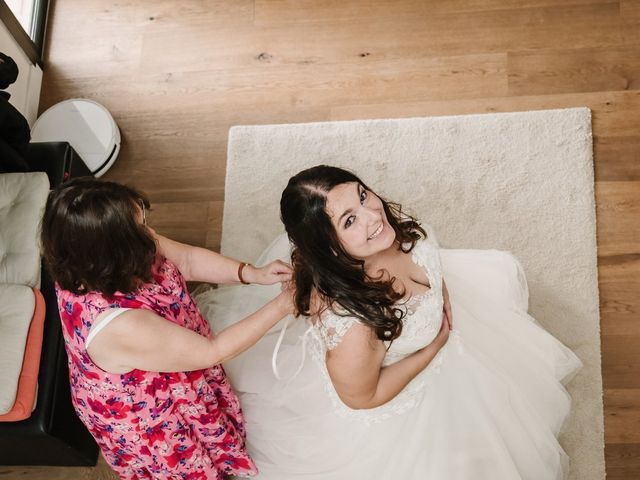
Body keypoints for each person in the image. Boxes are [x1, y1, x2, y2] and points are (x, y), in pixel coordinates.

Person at [196, 165, 583, 480]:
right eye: (350, 220)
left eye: (363, 196)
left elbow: (423, 258)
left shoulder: (385, 232)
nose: (373, 217)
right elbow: (363, 398)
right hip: (403, 394)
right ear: (331, 246)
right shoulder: (355, 327)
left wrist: (438, 301)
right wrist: (433, 345)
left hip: (438, 331)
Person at [40, 177, 293, 479]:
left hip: (164, 354)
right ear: (114, 252)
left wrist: (251, 273)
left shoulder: (92, 255)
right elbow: (211, 352)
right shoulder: (121, 325)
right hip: (151, 412)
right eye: (140, 226)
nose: (150, 232)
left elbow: (184, 260)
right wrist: (283, 305)